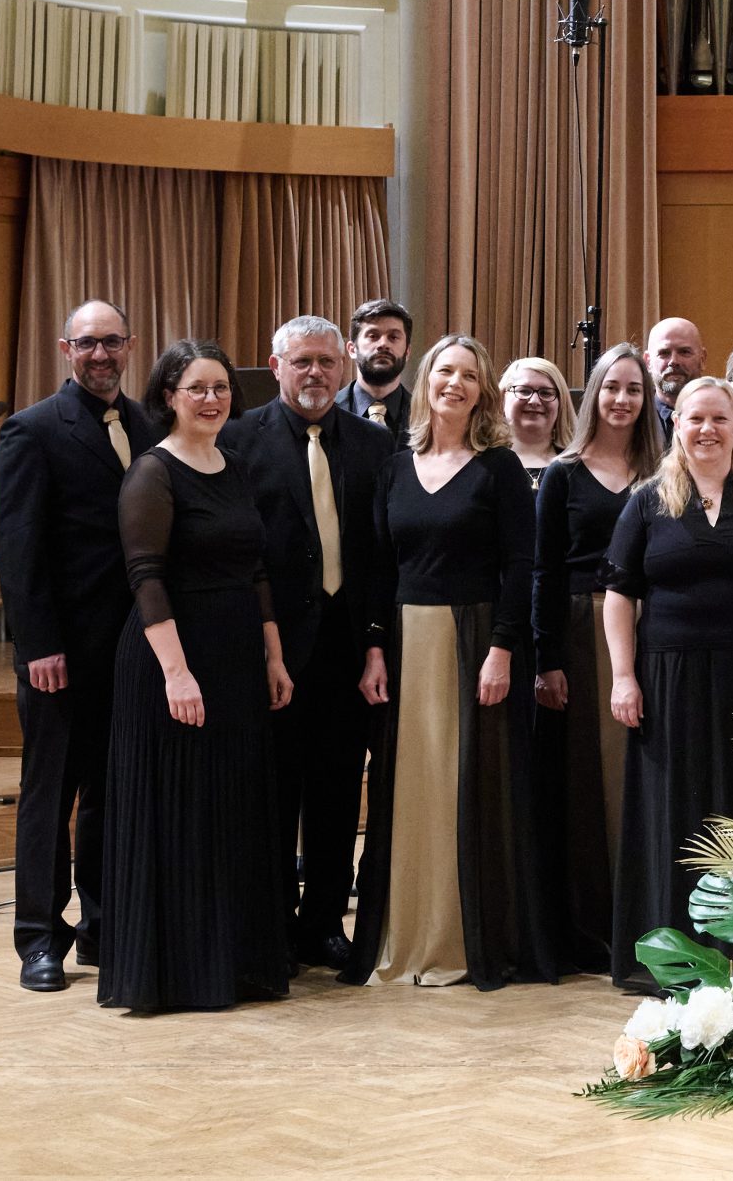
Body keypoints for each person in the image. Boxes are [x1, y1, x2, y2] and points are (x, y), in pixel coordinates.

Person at [346, 334, 556, 990]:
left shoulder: (499, 469)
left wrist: (502, 650)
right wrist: (373, 647)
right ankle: (407, 932)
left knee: (471, 787)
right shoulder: (393, 468)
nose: (455, 383)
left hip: (475, 643)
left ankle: (469, 937)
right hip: (405, 644)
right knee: (410, 790)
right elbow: (379, 567)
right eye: (445, 371)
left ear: (482, 390)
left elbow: (521, 566)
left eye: (469, 374)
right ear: (427, 381)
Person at [99, 339, 294, 1013]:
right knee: (181, 811)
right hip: (172, 658)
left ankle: (232, 962)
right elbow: (145, 576)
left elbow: (256, 568)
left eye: (221, 388)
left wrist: (273, 655)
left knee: (230, 810)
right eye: (197, 388)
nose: (212, 399)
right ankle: (179, 971)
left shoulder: (233, 465)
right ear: (168, 397)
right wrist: (176, 675)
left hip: (236, 656)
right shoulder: (152, 472)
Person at [603, 376, 733, 992]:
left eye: (720, 418)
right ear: (677, 424)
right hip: (667, 679)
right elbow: (619, 595)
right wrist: (623, 677)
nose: (708, 429)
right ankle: (674, 956)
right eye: (695, 418)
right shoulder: (647, 501)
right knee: (675, 808)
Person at [0, 299, 163, 992]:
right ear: (67, 349)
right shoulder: (31, 429)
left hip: (133, 650)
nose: (101, 354)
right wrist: (39, 645)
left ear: (130, 346)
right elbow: (18, 551)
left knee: (111, 793)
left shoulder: (151, 425)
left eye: (112, 342)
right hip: (59, 654)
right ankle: (39, 937)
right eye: (88, 343)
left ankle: (101, 924)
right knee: (49, 795)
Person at [217, 315, 395, 973]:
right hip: (271, 653)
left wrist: (375, 643)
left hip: (348, 652)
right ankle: (270, 926)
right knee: (271, 794)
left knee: (338, 792)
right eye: (302, 362)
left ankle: (323, 923)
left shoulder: (375, 444)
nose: (315, 372)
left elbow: (380, 554)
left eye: (325, 361)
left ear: (343, 365)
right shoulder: (238, 440)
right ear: (276, 367)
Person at [530, 342, 661, 973]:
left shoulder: (665, 470)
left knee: (643, 773)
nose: (622, 399)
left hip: (655, 630)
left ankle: (646, 913)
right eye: (612, 387)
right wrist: (546, 657)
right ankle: (592, 929)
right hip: (582, 632)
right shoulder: (563, 473)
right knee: (587, 783)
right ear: (592, 395)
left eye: (634, 389)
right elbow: (544, 569)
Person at [337, 299, 414, 436]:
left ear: (407, 352)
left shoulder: (428, 415)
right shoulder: (327, 411)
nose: (383, 344)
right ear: (352, 349)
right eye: (373, 336)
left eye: (393, 337)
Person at [501, 356, 575, 490]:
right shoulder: (482, 463)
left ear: (561, 403)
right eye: (524, 391)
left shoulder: (578, 467)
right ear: (503, 398)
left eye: (546, 393)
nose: (534, 401)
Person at [643, 317, 707, 440]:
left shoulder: (723, 416)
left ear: (702, 359)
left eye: (684, 352)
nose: (674, 361)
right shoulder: (634, 421)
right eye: (664, 353)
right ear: (648, 362)